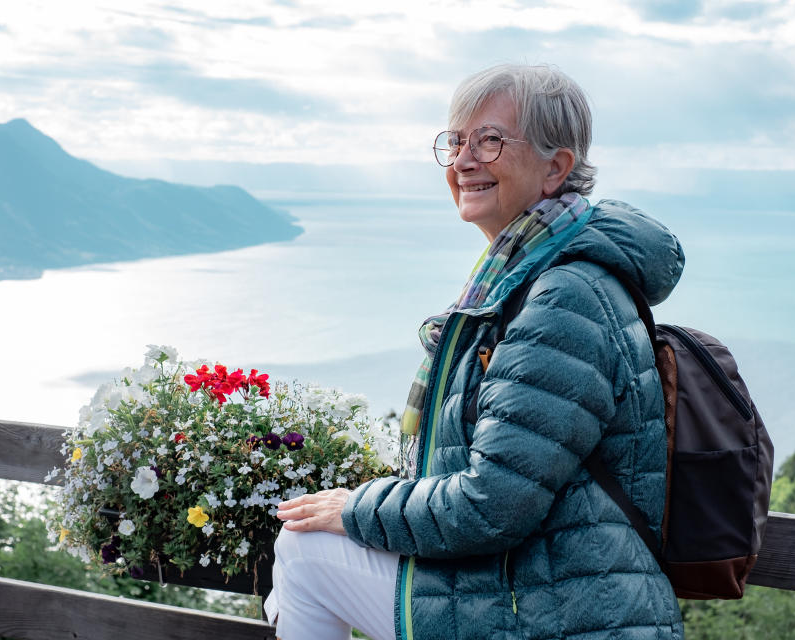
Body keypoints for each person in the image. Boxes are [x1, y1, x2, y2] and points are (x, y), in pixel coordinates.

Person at [266, 63, 685, 640]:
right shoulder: (525, 278)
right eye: (456, 141)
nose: (464, 160)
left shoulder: (564, 298)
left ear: (555, 168)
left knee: (305, 550)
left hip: (558, 615)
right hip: (540, 594)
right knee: (308, 545)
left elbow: (492, 505)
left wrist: (354, 508)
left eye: (489, 140)